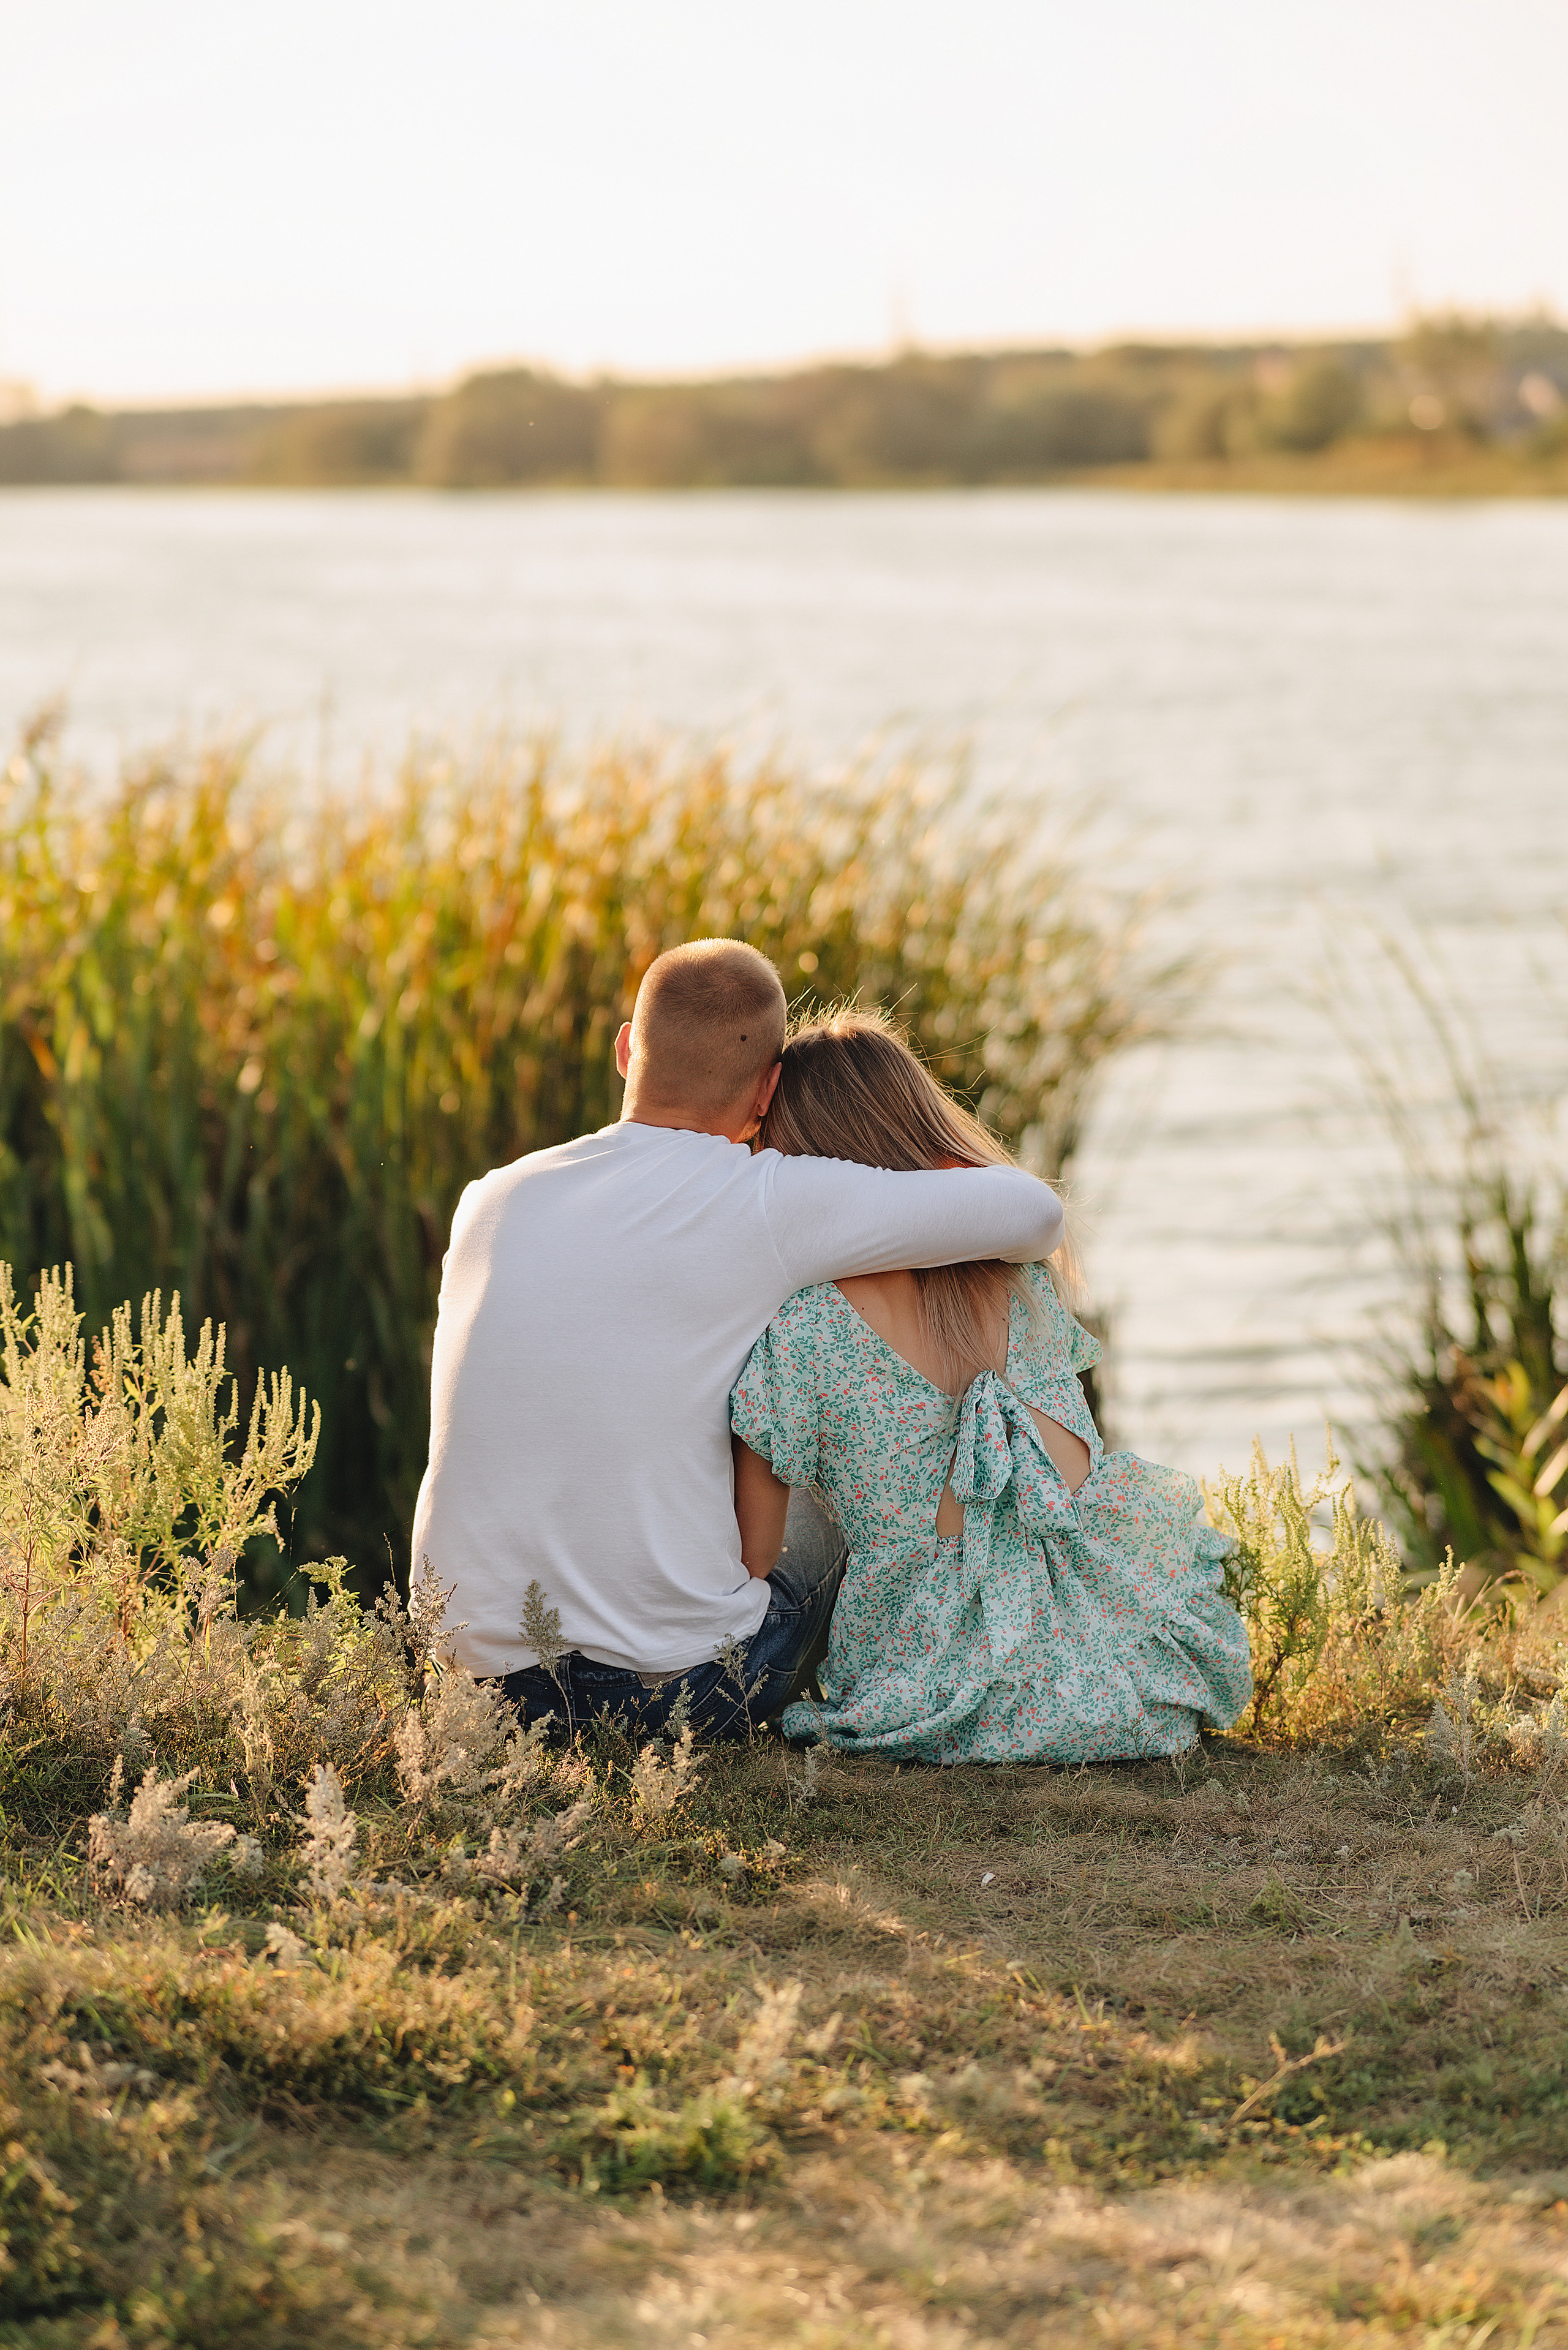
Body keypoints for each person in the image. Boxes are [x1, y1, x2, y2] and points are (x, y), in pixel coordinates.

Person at [410, 940, 1064, 1738]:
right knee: (824, 1474)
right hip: (685, 1696)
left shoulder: (492, 1199)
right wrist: (909, 1140)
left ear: (626, 1048)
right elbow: (1035, 1216)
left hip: (481, 1695)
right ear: (768, 1090)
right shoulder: (765, 1202)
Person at [728, 1009, 1253, 1763]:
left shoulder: (807, 1325)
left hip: (928, 1686)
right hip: (1118, 1672)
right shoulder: (1022, 1280)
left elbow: (754, 1559)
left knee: (818, 1466)